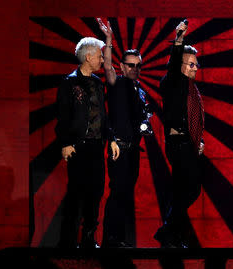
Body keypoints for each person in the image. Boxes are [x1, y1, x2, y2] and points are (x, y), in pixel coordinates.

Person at [55, 36, 120, 249]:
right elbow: (63, 116)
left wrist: (111, 138)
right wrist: (65, 142)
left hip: (95, 146)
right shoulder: (69, 82)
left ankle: (89, 238)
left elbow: (103, 114)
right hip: (77, 145)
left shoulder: (97, 83)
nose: (102, 60)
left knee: (96, 191)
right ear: (88, 56)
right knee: (76, 192)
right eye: (100, 56)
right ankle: (68, 240)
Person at [98, 18, 150, 248]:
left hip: (133, 150)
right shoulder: (116, 82)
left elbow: (142, 117)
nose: (134, 69)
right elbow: (107, 67)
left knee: (125, 193)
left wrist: (146, 124)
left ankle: (119, 238)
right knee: (117, 191)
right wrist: (108, 40)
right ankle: (110, 238)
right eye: (130, 65)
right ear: (122, 66)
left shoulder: (140, 90)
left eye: (138, 65)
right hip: (117, 147)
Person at [154, 20, 205, 248]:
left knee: (181, 192)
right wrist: (179, 39)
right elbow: (173, 66)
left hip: (187, 143)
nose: (196, 68)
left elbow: (195, 118)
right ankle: (168, 230)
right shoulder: (172, 82)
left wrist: (199, 139)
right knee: (191, 188)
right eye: (191, 65)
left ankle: (172, 236)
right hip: (178, 143)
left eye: (196, 64)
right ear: (181, 66)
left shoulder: (191, 88)